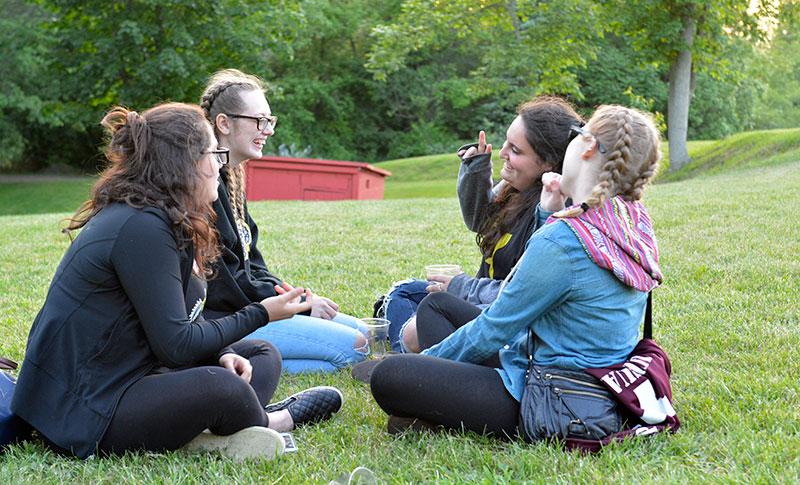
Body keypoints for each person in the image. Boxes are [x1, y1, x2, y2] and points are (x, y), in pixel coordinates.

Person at [11, 103, 343, 460]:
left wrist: (223, 353)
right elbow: (177, 346)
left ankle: (210, 429)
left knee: (260, 355)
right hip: (84, 408)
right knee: (223, 388)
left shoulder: (163, 218)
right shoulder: (141, 226)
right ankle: (274, 420)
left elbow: (180, 323)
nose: (220, 163)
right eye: (213, 153)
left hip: (131, 372)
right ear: (183, 162)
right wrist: (261, 313)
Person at [369, 105, 663, 440]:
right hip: (591, 384)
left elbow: (495, 327)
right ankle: (439, 409)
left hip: (552, 399)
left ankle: (436, 410)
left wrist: (428, 364)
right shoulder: (627, 221)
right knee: (438, 307)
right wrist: (547, 214)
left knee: (390, 376)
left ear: (588, 147)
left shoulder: (564, 241)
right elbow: (549, 284)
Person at [380, 97, 582, 353]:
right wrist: (475, 170)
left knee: (419, 322)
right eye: (507, 142)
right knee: (405, 292)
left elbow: (523, 295)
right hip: (480, 300)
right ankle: (405, 342)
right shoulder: (517, 189)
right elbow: (480, 221)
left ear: (549, 163)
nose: (502, 153)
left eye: (516, 150)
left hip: (508, 321)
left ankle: (401, 349)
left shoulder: (555, 208)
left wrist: (460, 287)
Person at [198, 69, 368, 373]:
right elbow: (225, 285)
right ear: (223, 123)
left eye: (270, 121)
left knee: (367, 335)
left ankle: (261, 357)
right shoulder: (205, 187)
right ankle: (231, 360)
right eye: (259, 121)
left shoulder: (233, 178)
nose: (269, 130)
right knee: (357, 349)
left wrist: (298, 297)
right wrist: (298, 305)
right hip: (226, 321)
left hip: (251, 308)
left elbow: (252, 266)